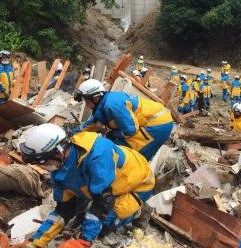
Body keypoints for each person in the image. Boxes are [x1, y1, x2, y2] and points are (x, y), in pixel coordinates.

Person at [20, 124, 154, 248]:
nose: (42, 166)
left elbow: (102, 203)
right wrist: (36, 242)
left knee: (104, 224)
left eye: (42, 161)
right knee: (84, 211)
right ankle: (85, 215)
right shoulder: (59, 167)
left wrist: (83, 241)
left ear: (59, 152)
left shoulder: (97, 155)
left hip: (137, 183)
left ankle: (139, 212)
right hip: (108, 184)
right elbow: (63, 209)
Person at [73, 79, 173, 160]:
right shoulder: (101, 106)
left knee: (126, 154)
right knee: (115, 146)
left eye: (85, 100)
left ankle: (137, 180)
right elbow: (91, 125)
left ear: (95, 98)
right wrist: (72, 134)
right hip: (149, 122)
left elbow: (131, 129)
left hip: (158, 124)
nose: (85, 104)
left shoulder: (112, 104)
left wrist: (112, 134)